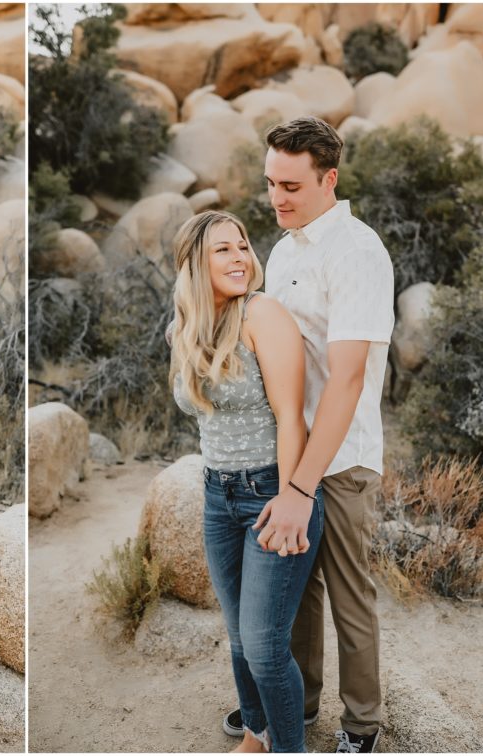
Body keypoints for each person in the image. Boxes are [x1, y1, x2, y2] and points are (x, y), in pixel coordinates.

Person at [220, 117, 394, 753]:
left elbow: (346, 384)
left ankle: (362, 726)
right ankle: (299, 704)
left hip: (340, 460)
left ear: (330, 179)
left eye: (291, 185)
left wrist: (299, 486)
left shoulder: (356, 252)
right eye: (270, 183)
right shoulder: (286, 248)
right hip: (287, 450)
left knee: (349, 596)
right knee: (296, 595)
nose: (277, 198)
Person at [169, 209, 322, 753]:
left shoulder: (263, 315)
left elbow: (291, 417)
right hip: (216, 495)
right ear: (193, 264)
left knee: (263, 645)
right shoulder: (186, 330)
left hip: (270, 492)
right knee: (238, 639)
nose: (239, 258)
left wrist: (290, 497)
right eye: (222, 250)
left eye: (242, 247)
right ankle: (257, 734)